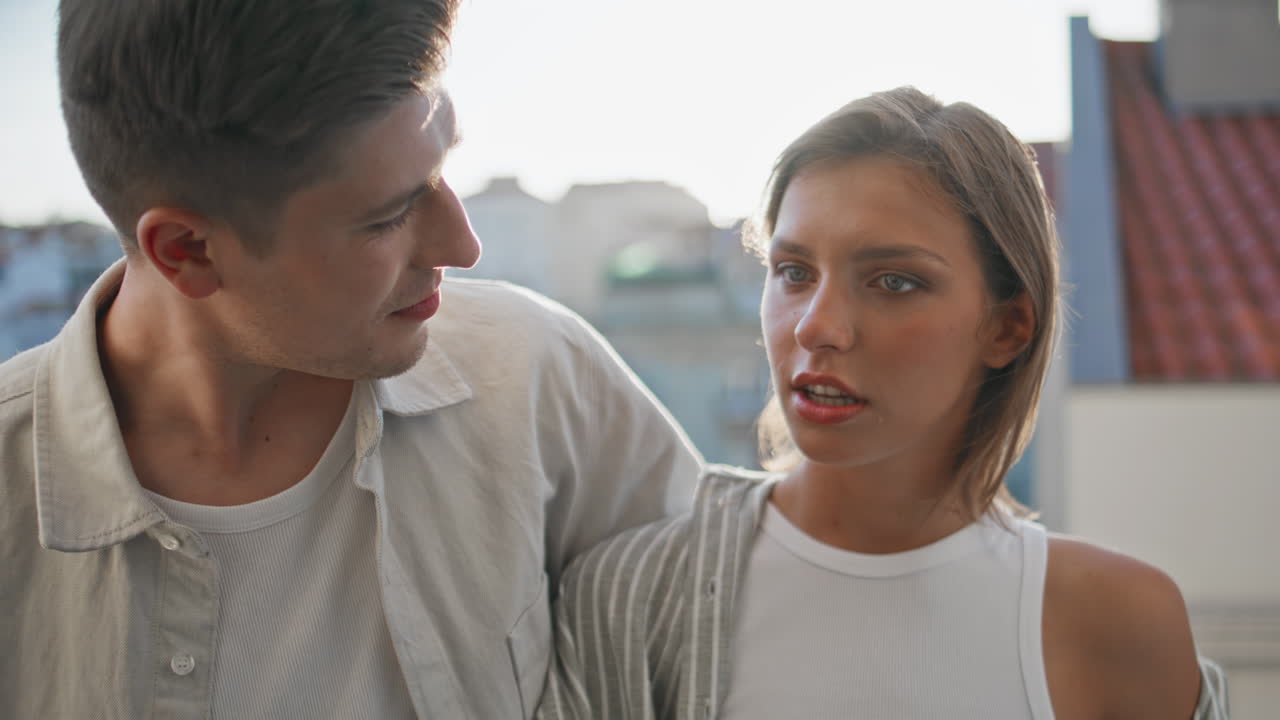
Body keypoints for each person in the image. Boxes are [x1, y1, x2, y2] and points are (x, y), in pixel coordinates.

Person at [0, 2, 702, 718]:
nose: (462, 246)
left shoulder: (534, 375)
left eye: (443, 166)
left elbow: (732, 645)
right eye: (388, 216)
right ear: (188, 250)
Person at [536, 87, 1229, 719]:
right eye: (794, 273)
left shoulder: (1118, 624)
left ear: (1007, 326)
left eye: (893, 282)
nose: (815, 326)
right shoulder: (635, 595)